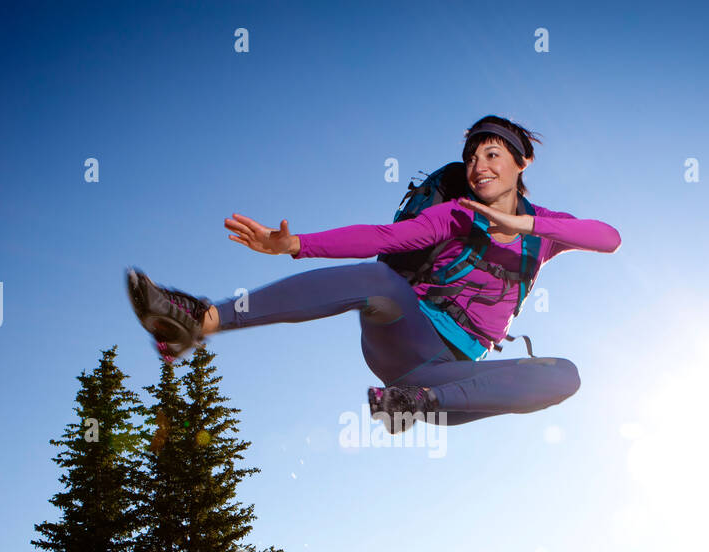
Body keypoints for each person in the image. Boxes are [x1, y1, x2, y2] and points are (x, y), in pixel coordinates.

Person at [126, 115, 621, 432]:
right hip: (407, 337)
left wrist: (522, 223)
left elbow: (609, 237)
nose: (478, 166)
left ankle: (412, 404)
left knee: (564, 375)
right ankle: (200, 319)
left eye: (492, 154)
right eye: (472, 156)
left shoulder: (547, 230)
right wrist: (296, 245)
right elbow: (381, 239)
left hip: (451, 382)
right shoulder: (454, 215)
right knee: (379, 280)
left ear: (521, 161)